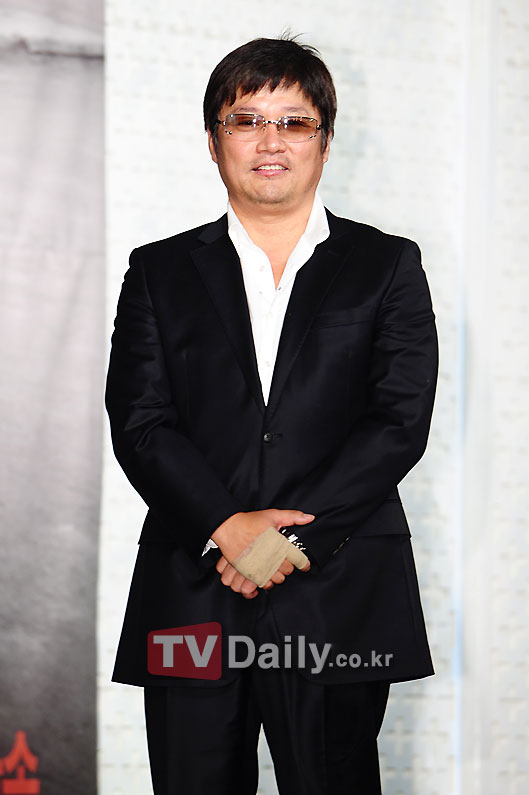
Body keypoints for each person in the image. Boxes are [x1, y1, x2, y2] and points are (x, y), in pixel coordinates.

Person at [105, 35, 438, 795]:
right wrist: (227, 527)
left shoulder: (386, 265)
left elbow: (397, 421)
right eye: (246, 120)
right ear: (213, 140)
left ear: (326, 140)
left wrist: (285, 539)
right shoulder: (158, 270)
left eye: (293, 122)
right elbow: (140, 421)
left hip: (336, 585)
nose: (270, 141)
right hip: (194, 587)